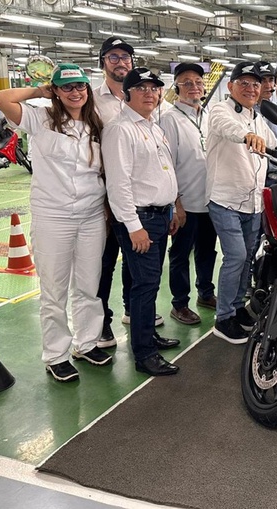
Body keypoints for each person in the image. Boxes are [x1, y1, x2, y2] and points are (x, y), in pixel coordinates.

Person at [0, 64, 112, 382]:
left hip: (91, 216)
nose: (75, 92)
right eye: (66, 87)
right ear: (55, 91)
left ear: (87, 89)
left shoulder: (96, 124)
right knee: (54, 290)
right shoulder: (40, 118)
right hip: (53, 216)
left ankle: (87, 343)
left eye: (80, 86)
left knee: (89, 286)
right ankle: (56, 355)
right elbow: (0, 97)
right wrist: (37, 91)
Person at [103, 68, 181, 376]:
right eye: (141, 88)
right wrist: (133, 226)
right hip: (140, 218)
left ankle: (148, 335)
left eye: (154, 88)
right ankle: (144, 354)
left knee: (150, 282)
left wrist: (171, 209)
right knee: (145, 285)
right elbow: (118, 184)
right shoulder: (120, 129)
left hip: (159, 215)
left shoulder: (152, 126)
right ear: (127, 94)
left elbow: (162, 171)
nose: (149, 93)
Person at [92, 36, 164, 348]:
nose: (120, 62)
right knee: (104, 264)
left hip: (136, 200)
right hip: (103, 196)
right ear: (103, 62)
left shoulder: (148, 111)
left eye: (125, 57)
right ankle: (101, 324)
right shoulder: (92, 100)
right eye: (113, 57)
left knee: (137, 271)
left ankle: (135, 317)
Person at [206, 61, 277, 344]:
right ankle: (223, 318)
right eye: (244, 83)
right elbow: (227, 128)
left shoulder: (258, 118)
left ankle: (237, 308)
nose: (251, 88)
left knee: (247, 256)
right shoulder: (220, 110)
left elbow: (275, 146)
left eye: (255, 84)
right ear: (230, 86)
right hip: (225, 200)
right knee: (235, 256)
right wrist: (246, 136)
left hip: (253, 201)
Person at [159, 63, 218, 326]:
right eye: (187, 82)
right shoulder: (169, 119)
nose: (194, 87)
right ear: (177, 88)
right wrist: (177, 204)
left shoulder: (209, 116)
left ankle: (206, 293)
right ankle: (180, 304)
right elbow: (167, 164)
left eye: (198, 82)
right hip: (186, 201)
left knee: (207, 251)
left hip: (210, 200)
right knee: (181, 254)